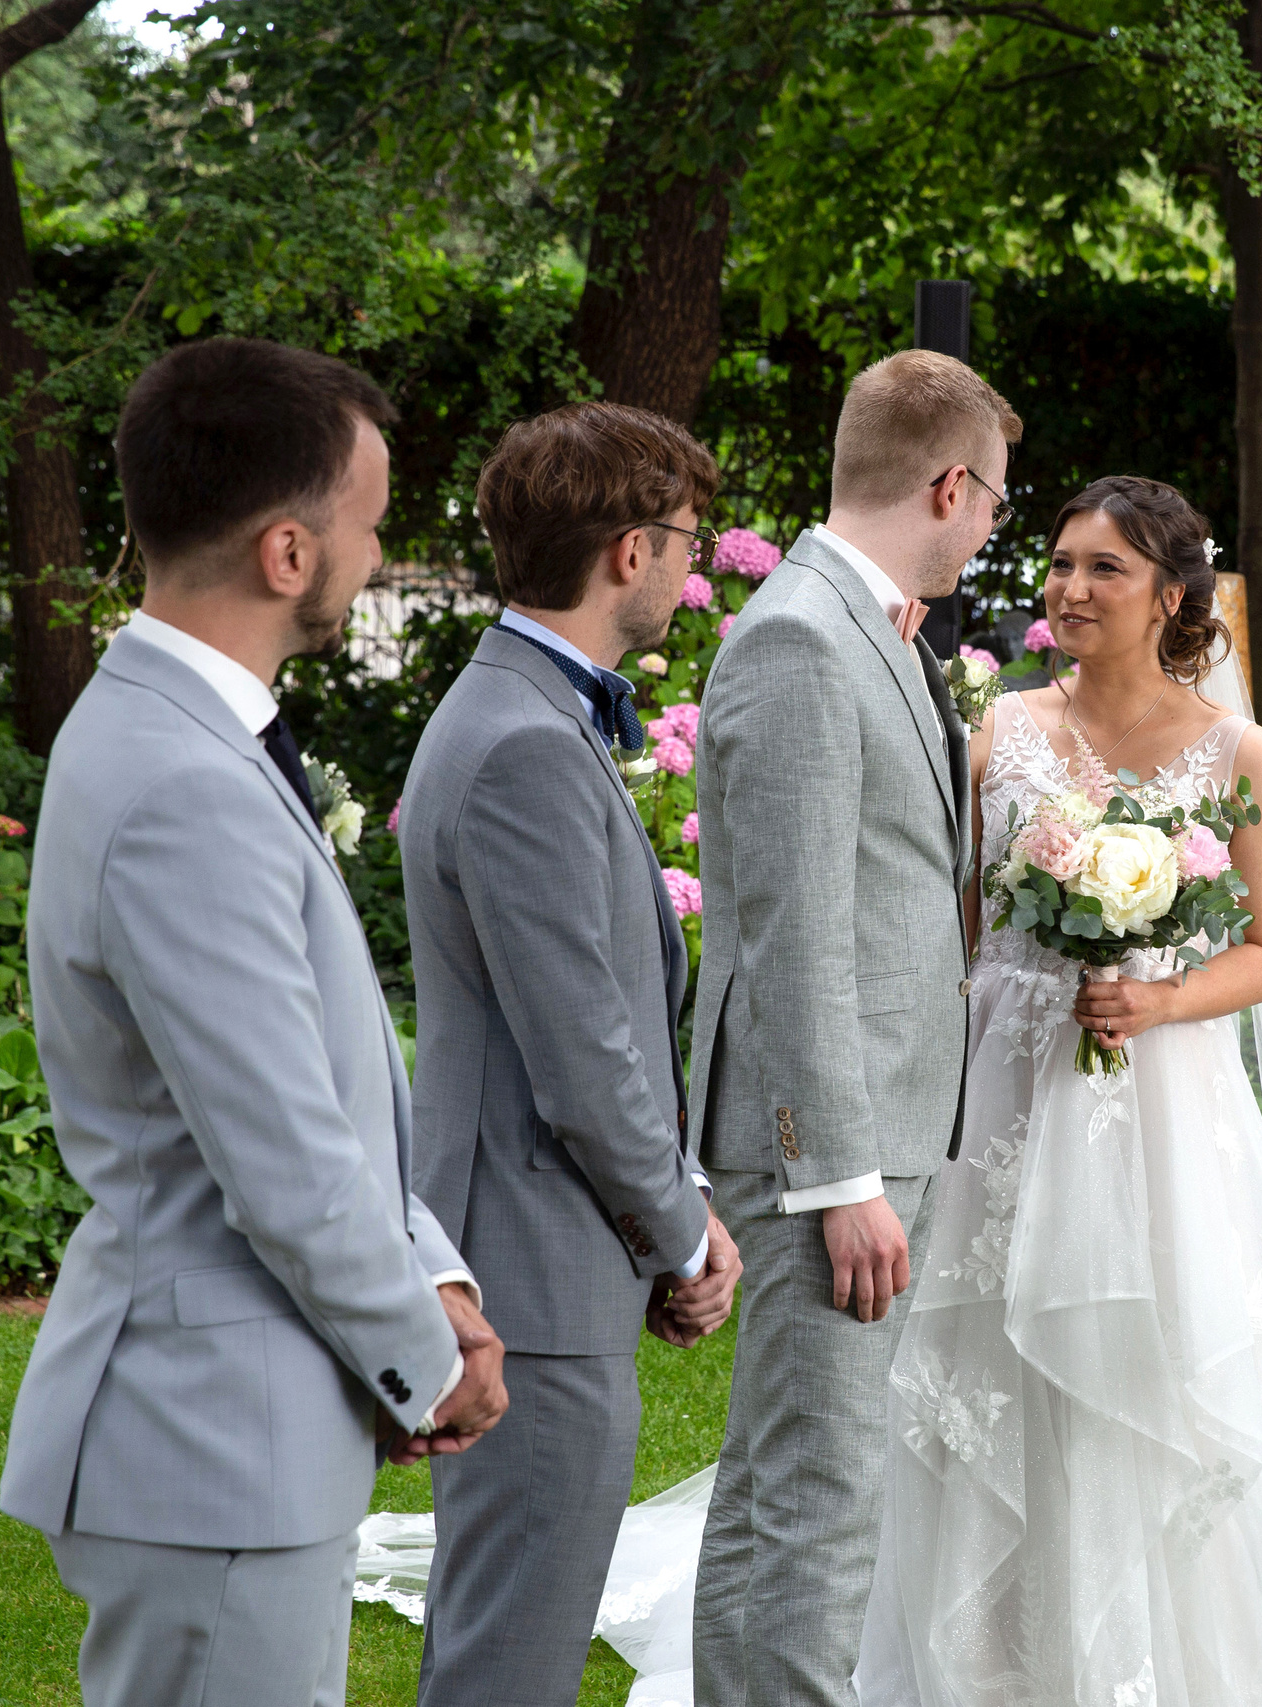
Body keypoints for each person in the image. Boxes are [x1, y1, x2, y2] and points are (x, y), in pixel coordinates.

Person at [853, 476, 1262, 1706]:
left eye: (1102, 569)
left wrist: (1158, 999)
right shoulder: (996, 732)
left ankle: (1167, 1655)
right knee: (990, 1348)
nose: (1068, 589)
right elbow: (958, 929)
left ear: (1173, 595)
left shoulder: (1237, 753)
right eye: (1059, 563)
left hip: (1164, 1104)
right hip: (1006, 1088)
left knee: (1158, 1355)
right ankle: (989, 1646)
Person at [0, 337, 507, 1707]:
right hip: (212, 1436)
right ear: (289, 551)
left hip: (236, 1423)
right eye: (373, 520)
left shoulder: (181, 733)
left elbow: (321, 1091)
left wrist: (436, 1278)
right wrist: (422, 1363)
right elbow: (281, 1153)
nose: (381, 549)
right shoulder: (181, 779)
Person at [402, 402, 744, 1706]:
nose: (691, 567)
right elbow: (585, 1056)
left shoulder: (521, 713)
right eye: (685, 542)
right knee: (510, 1660)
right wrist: (683, 1230)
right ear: (626, 549)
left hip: (542, 1265)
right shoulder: (526, 745)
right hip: (532, 1283)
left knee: (504, 1639)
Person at [689, 349, 1010, 1707]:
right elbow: (790, 933)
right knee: (808, 1498)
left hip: (874, 1140)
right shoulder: (801, 639)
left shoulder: (861, 624)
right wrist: (840, 1174)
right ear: (950, 484)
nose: (993, 524)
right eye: (994, 498)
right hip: (835, 1157)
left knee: (816, 1480)